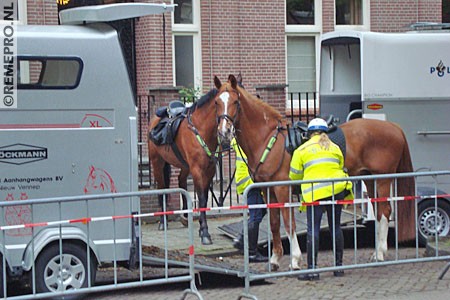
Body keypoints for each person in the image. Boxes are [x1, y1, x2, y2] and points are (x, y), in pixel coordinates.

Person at [289, 118, 353, 281]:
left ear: (309, 133)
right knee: (335, 227)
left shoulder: (302, 150)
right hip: (336, 189)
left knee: (313, 229)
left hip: (315, 192)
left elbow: (294, 175)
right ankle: (339, 267)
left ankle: (313, 270)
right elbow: (339, 165)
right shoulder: (335, 147)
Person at [231, 138, 268, 263]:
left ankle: (241, 239)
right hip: (251, 181)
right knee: (256, 216)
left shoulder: (239, 140)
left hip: (245, 180)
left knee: (261, 211)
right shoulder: (248, 141)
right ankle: (252, 253)